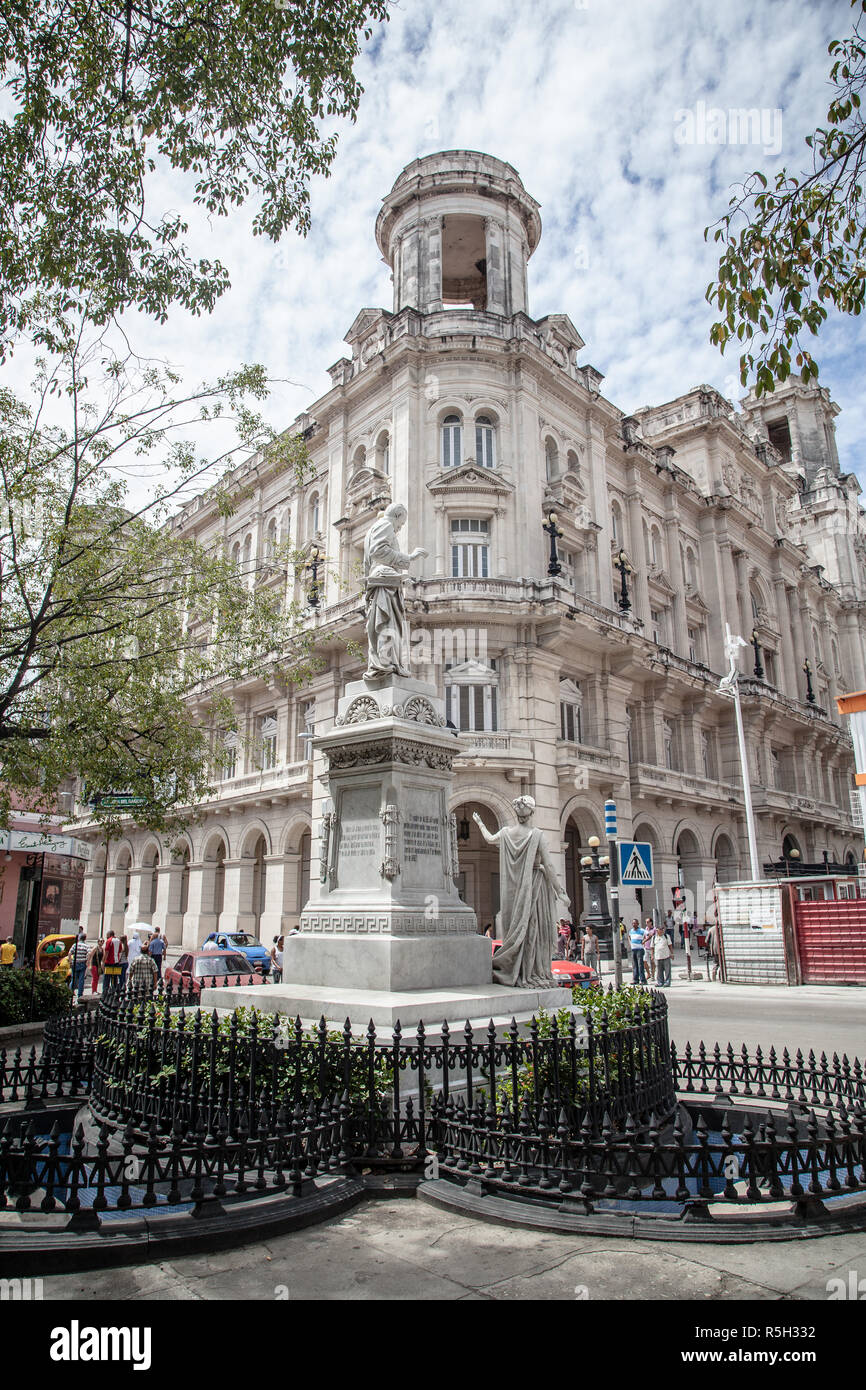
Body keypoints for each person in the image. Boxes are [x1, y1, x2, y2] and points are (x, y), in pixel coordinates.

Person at [473, 796, 570, 989]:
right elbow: (549, 865)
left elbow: (489, 839)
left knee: (520, 929)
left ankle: (521, 971)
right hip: (534, 886)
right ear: (531, 813)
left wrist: (480, 823)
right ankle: (533, 972)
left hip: (515, 890)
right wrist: (560, 892)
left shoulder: (507, 833)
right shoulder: (537, 835)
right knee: (535, 929)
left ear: (516, 814)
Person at [362, 502, 428, 681]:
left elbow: (367, 565)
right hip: (384, 582)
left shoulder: (371, 531)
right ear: (397, 516)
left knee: (386, 623)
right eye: (402, 523)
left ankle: (387, 662)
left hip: (382, 581)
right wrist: (409, 558)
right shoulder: (385, 525)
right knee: (388, 622)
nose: (400, 528)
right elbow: (379, 552)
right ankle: (386, 663)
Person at [69, 931, 89, 1001]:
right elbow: (88, 954)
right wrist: (87, 962)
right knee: (81, 980)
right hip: (82, 963)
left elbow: (70, 952)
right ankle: (80, 994)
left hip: (75, 963)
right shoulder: (86, 946)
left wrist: (70, 961)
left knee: (73, 979)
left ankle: (70, 992)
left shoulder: (75, 945)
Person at [102, 930, 122, 995]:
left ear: (109, 935)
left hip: (109, 962)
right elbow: (120, 951)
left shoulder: (109, 941)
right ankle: (114, 991)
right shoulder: (119, 941)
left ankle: (105, 992)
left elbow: (107, 952)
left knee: (106, 978)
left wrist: (103, 961)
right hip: (116, 962)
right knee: (115, 978)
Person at [629, 919, 646, 984]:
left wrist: (644, 941)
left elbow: (649, 935)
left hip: (639, 949)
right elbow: (629, 936)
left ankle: (643, 980)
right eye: (633, 923)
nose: (634, 925)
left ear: (638, 924)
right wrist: (630, 943)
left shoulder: (641, 930)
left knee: (640, 965)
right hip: (633, 949)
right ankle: (635, 979)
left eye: (635, 923)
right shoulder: (631, 931)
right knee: (634, 965)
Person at [643, 917, 656, 982]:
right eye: (646, 922)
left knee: (652, 962)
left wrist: (644, 941)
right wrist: (643, 942)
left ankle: (653, 974)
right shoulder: (646, 929)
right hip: (646, 947)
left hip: (652, 948)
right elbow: (644, 936)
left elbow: (651, 936)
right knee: (644, 961)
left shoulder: (654, 929)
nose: (646, 923)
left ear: (651, 922)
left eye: (648, 922)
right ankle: (648, 973)